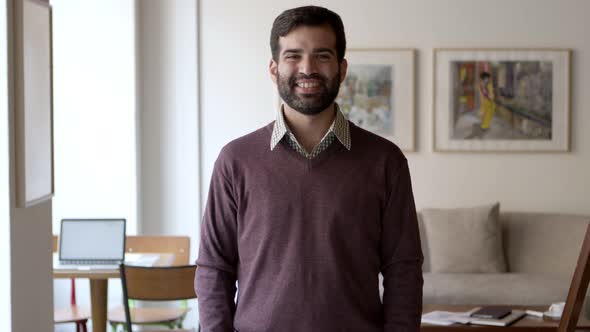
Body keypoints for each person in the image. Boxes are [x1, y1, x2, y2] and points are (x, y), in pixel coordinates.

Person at [195, 6, 423, 332]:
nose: (307, 68)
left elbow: (404, 270)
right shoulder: (235, 161)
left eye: (322, 55)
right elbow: (214, 269)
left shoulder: (385, 161)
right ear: (273, 69)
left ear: (342, 69)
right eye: (293, 56)